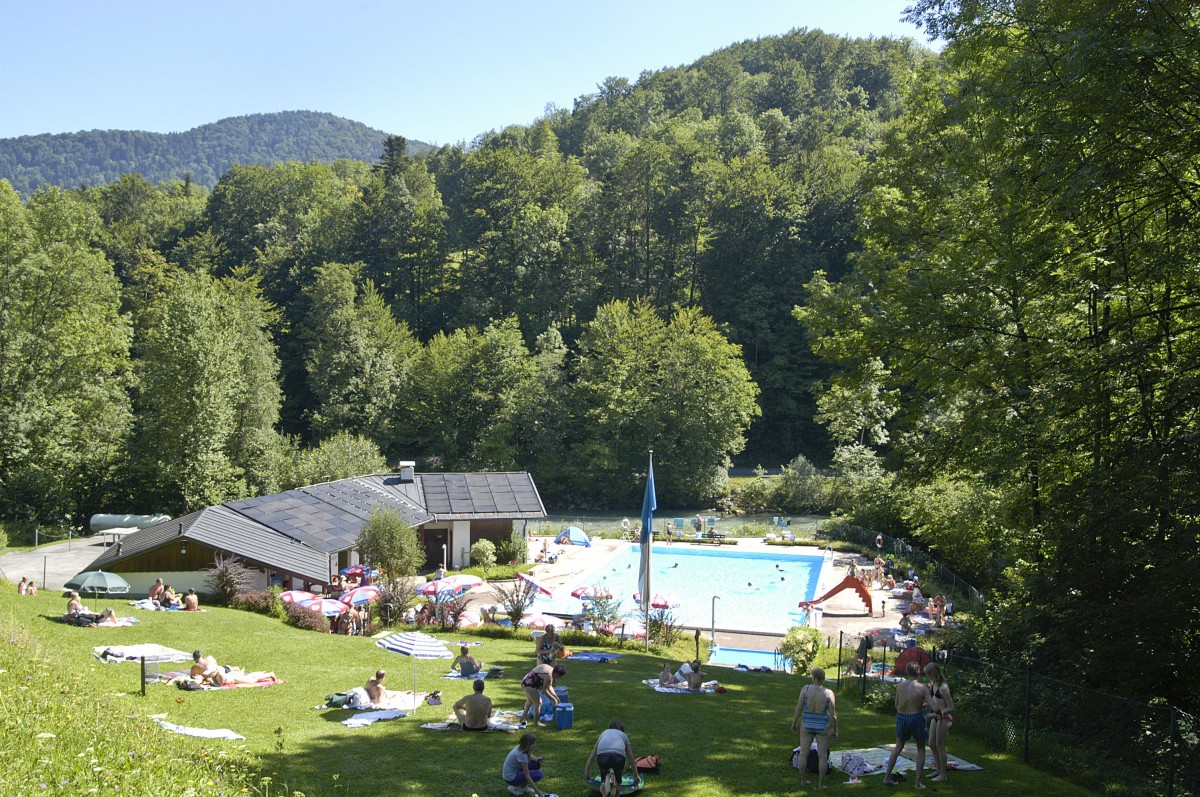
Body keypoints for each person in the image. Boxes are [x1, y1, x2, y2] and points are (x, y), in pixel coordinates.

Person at [882, 661, 934, 788]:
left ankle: (887, 777)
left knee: (898, 747)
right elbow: (933, 707)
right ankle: (917, 783)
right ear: (919, 672)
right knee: (921, 748)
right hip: (916, 718)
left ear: (907, 672)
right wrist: (941, 711)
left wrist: (918, 706)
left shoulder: (900, 686)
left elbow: (897, 705)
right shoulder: (923, 687)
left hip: (902, 717)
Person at [791, 667, 838, 790]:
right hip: (822, 726)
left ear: (813, 677)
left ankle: (803, 781)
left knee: (803, 755)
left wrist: (794, 722)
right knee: (822, 756)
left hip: (806, 724)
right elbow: (833, 715)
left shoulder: (805, 689)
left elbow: (799, 708)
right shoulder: (829, 693)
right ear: (823, 679)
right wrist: (835, 729)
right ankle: (821, 784)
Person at [584, 720, 636, 797]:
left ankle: (603, 786)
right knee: (618, 784)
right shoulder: (623, 735)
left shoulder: (604, 733)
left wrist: (587, 773)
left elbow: (592, 756)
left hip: (603, 757)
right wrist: (636, 775)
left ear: (610, 728)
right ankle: (617, 789)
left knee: (604, 777)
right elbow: (631, 758)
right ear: (621, 729)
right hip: (618, 758)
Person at [925, 662, 955, 782]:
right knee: (931, 743)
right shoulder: (934, 684)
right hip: (936, 717)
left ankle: (943, 774)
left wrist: (936, 714)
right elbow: (934, 700)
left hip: (944, 718)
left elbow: (951, 707)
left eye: (928, 674)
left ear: (935, 673)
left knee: (939, 745)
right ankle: (938, 769)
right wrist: (925, 705)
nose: (927, 676)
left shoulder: (943, 687)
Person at [503, 731, 549, 797]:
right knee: (539, 774)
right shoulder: (521, 754)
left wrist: (537, 759)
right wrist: (539, 792)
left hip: (512, 773)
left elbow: (530, 756)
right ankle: (516, 788)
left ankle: (522, 787)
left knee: (536, 763)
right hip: (511, 778)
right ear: (527, 745)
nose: (535, 744)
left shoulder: (521, 747)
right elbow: (527, 776)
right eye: (532, 743)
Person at [520, 662, 562, 727]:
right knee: (538, 702)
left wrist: (556, 697)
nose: (559, 678)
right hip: (529, 684)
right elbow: (544, 690)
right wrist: (554, 700)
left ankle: (523, 717)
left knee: (530, 701)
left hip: (525, 680)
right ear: (557, 673)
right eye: (559, 676)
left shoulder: (550, 669)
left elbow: (549, 687)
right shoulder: (549, 675)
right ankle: (536, 723)